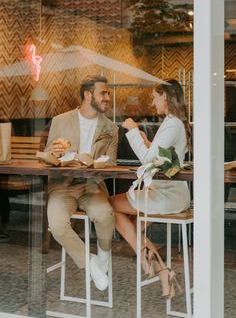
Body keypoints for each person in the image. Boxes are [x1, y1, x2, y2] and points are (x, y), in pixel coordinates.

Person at [110, 79, 191, 298]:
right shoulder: (172, 122)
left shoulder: (173, 124)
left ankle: (151, 262)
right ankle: (164, 272)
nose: (153, 103)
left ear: (165, 96)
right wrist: (146, 141)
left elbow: (147, 160)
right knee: (131, 222)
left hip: (167, 194)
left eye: (155, 98)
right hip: (169, 192)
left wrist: (134, 130)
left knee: (109, 207)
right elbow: (160, 158)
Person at [45, 75, 119, 291]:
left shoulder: (111, 128)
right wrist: (53, 153)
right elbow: (50, 156)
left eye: (107, 93)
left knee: (105, 215)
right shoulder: (60, 121)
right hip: (63, 186)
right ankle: (92, 265)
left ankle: (103, 256)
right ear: (88, 95)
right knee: (57, 226)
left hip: (92, 185)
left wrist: (93, 163)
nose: (107, 97)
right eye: (103, 93)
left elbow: (111, 164)